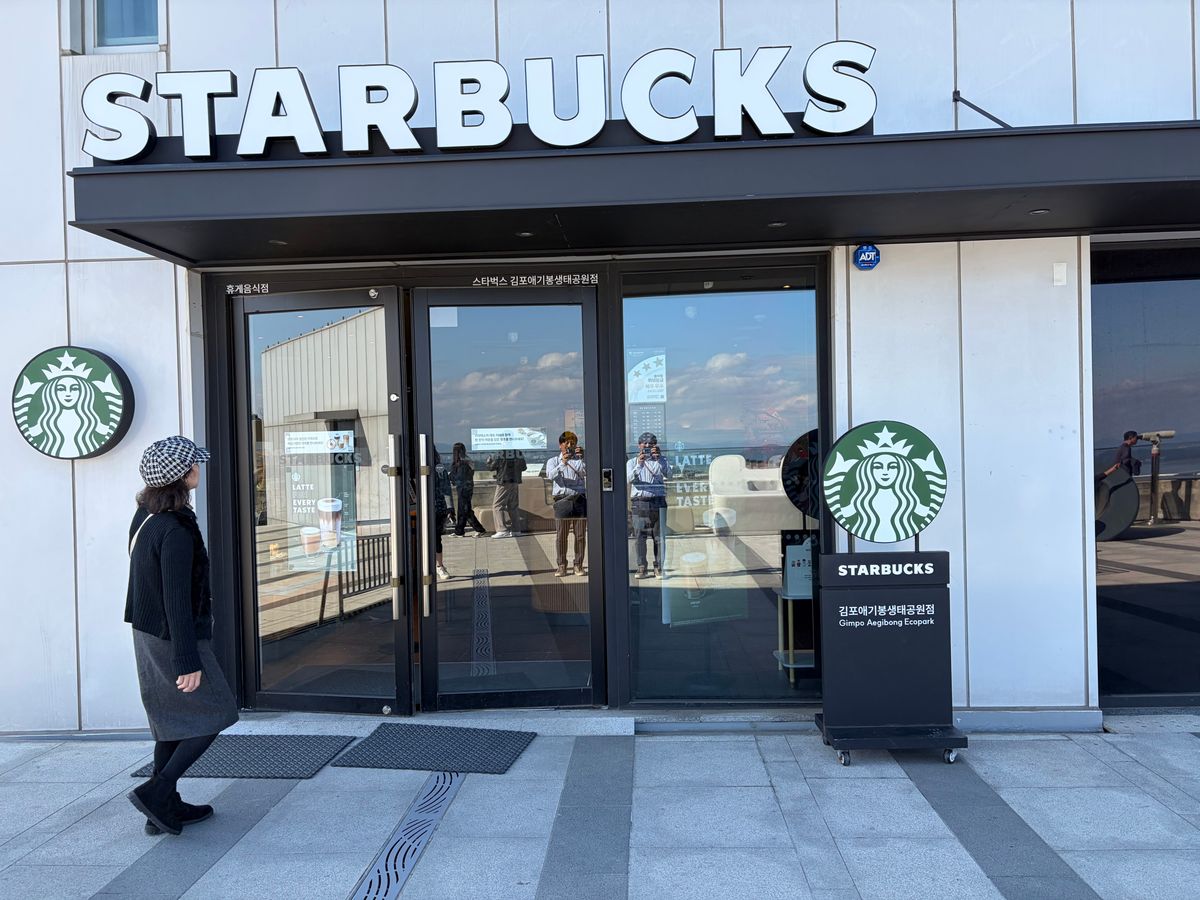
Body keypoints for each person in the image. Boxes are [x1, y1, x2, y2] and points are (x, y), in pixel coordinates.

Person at [126, 436, 239, 836]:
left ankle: (163, 809)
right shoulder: (174, 529)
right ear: (183, 475)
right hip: (173, 637)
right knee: (216, 714)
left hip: (148, 633)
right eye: (194, 464)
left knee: (170, 719)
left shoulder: (146, 516)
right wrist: (187, 660)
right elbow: (176, 598)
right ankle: (157, 793)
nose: (198, 469)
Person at [627, 431, 671, 578]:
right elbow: (629, 479)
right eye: (644, 443)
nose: (647, 446)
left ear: (655, 446)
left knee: (659, 537)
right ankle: (641, 567)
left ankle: (659, 566)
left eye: (651, 444)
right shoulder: (632, 462)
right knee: (640, 536)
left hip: (658, 501)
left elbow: (669, 475)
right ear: (639, 445)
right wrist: (639, 464)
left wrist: (660, 460)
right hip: (640, 502)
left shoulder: (662, 460)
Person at [545, 430, 587, 576]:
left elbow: (589, 473)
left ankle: (578, 564)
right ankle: (561, 565)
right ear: (560, 445)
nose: (569, 445)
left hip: (579, 499)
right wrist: (563, 462)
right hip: (562, 500)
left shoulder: (580, 460)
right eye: (566, 442)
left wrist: (583, 458)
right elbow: (550, 475)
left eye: (572, 442)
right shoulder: (553, 461)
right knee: (561, 536)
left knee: (580, 535)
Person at [450, 442, 487, 536]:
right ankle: (459, 531)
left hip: (463, 488)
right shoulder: (467, 460)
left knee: (465, 510)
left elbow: (459, 477)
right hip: (467, 488)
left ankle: (480, 530)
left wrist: (451, 478)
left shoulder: (462, 463)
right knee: (462, 510)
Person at [487, 448, 525, 538]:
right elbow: (524, 467)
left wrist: (489, 461)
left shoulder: (500, 453)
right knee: (513, 506)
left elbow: (491, 467)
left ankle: (502, 529)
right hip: (515, 480)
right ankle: (516, 530)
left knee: (497, 505)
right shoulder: (518, 452)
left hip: (504, 481)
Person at [433, 449, 451, 579]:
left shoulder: (439, 469)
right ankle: (438, 566)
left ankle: (439, 566)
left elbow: (446, 489)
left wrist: (449, 508)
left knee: (436, 538)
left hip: (437, 508)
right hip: (423, 508)